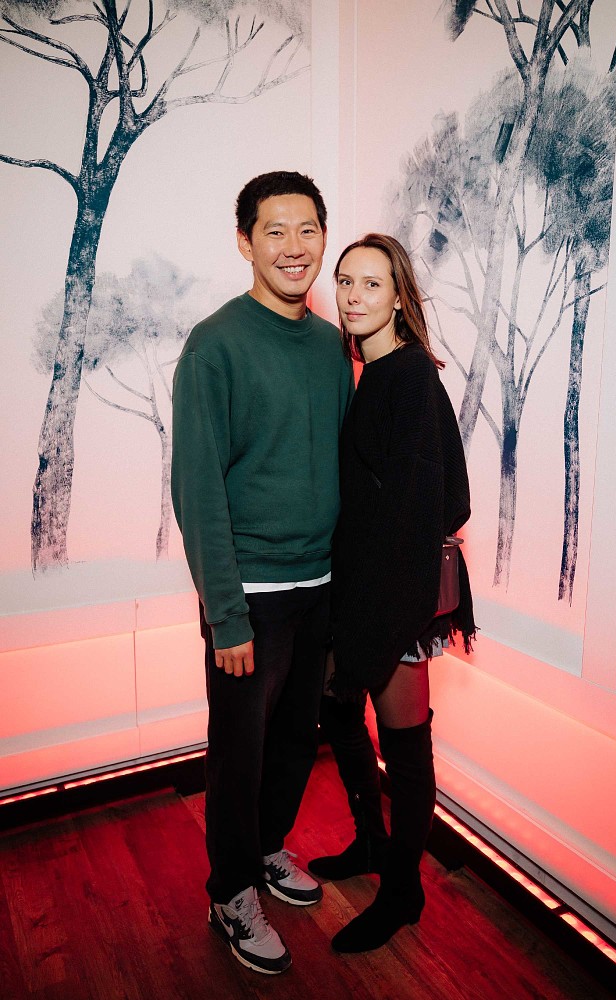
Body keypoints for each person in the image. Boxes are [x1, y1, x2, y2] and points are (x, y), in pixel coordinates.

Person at [171, 171, 354, 975]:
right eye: (274, 231)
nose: (293, 246)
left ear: (323, 236)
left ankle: (268, 850)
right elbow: (197, 487)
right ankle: (230, 891)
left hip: (318, 588)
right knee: (237, 755)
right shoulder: (215, 343)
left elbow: (342, 467)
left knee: (293, 744)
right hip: (249, 593)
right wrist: (226, 613)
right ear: (244, 242)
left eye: (307, 228)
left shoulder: (329, 346)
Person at [308, 233, 475, 954]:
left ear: (400, 296)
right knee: (340, 713)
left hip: (397, 599)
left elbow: (433, 504)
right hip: (359, 589)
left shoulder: (407, 376)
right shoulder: (372, 372)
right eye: (345, 281)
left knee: (405, 749)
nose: (352, 296)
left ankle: (402, 891)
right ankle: (371, 844)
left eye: (371, 284)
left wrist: (384, 619)